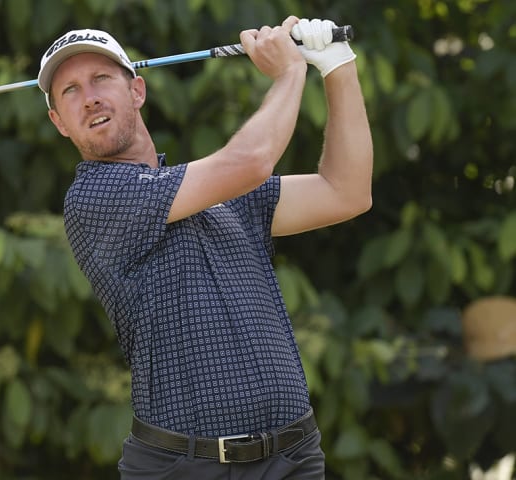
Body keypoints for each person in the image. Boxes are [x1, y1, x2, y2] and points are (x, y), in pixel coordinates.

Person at [37, 16, 372, 480]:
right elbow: (251, 161)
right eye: (69, 91)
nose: (89, 96)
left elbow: (347, 191)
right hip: (183, 467)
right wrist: (291, 72)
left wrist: (337, 65)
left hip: (292, 459)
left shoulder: (218, 195)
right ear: (58, 122)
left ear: (137, 91)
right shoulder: (95, 197)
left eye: (100, 79)